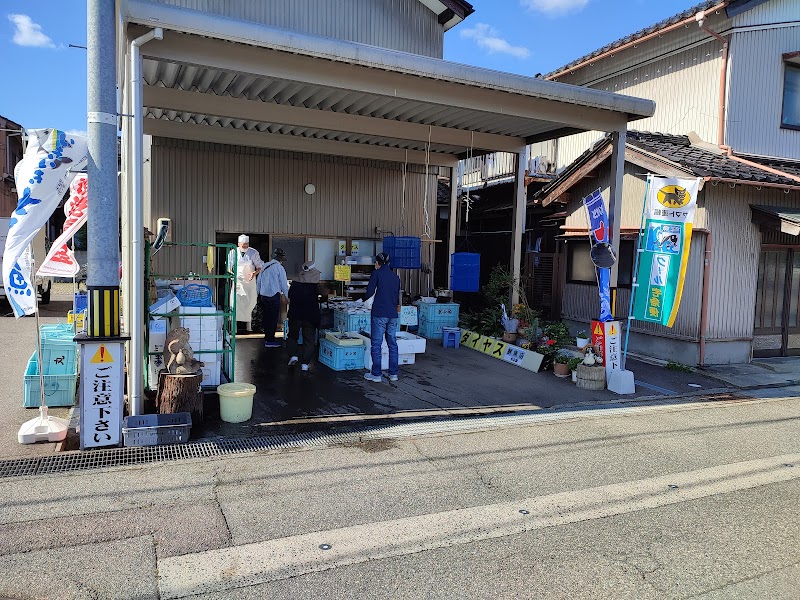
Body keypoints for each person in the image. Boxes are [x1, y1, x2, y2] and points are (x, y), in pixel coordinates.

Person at [363, 252, 401, 382]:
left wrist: (366, 302)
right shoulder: (396, 277)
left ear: (378, 263)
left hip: (379, 313)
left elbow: (369, 292)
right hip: (393, 314)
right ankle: (393, 374)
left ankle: (376, 374)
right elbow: (396, 297)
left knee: (376, 344)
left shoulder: (376, 274)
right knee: (393, 344)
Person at [287, 261, 322, 372]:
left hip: (295, 314)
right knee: (309, 340)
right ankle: (305, 364)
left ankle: (293, 356)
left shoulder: (296, 281)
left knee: (293, 336)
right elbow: (322, 296)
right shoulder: (316, 283)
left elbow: (290, 295)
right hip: (310, 315)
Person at [227, 235, 262, 332]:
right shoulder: (233, 252)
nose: (245, 247)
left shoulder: (254, 252)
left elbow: (260, 266)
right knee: (235, 305)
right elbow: (229, 268)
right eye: (243, 245)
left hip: (249, 283)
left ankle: (249, 327)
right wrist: (233, 276)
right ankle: (234, 329)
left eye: (247, 245)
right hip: (237, 282)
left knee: (249, 304)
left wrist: (254, 273)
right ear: (238, 244)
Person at [257, 248, 289, 348]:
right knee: (273, 318)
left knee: (266, 317)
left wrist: (257, 293)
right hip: (274, 295)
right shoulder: (279, 268)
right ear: (281, 259)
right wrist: (287, 297)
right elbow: (284, 284)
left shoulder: (265, 266)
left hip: (263, 295)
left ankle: (267, 338)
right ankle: (270, 340)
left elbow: (258, 281)